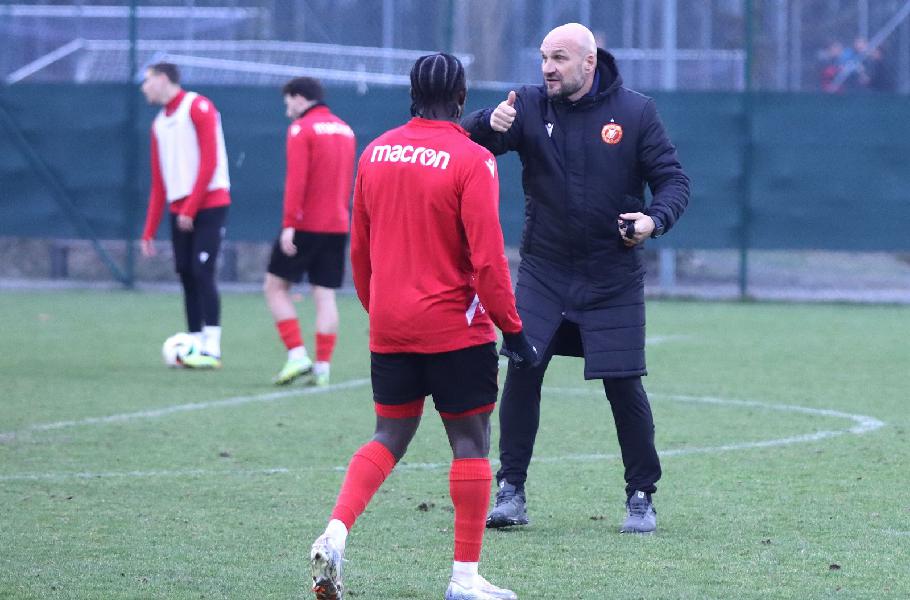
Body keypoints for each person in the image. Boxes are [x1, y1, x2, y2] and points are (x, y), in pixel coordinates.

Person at [308, 53, 537, 600]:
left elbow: (360, 248)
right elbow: (488, 260)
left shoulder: (376, 152)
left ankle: (335, 532)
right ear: (461, 98)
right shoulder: (474, 158)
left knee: (389, 435)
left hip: (390, 325)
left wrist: (381, 308)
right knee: (471, 441)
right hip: (455, 329)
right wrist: (512, 330)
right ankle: (464, 579)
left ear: (412, 95)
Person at [462, 23, 689, 534]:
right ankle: (511, 491)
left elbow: (674, 180)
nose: (548, 68)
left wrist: (653, 221)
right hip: (544, 270)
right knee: (524, 369)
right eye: (544, 57)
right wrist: (486, 122)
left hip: (612, 275)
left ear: (589, 62)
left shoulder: (636, 112)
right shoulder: (526, 105)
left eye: (559, 58)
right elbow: (468, 145)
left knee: (623, 383)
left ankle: (640, 496)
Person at [264, 77, 356, 386]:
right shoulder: (345, 129)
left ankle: (297, 355)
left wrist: (289, 224)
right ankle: (322, 368)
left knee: (274, 287)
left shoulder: (301, 129)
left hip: (305, 224)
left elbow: (297, 180)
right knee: (325, 294)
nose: (287, 109)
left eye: (288, 102)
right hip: (337, 224)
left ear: (300, 98)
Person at [140, 62, 230, 369]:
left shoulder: (198, 106)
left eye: (148, 80)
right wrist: (149, 230)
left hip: (210, 203)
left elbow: (209, 161)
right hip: (180, 210)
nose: (144, 87)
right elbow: (159, 182)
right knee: (186, 274)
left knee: (203, 271)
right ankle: (194, 343)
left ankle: (212, 346)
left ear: (163, 79)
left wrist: (191, 208)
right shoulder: (158, 125)